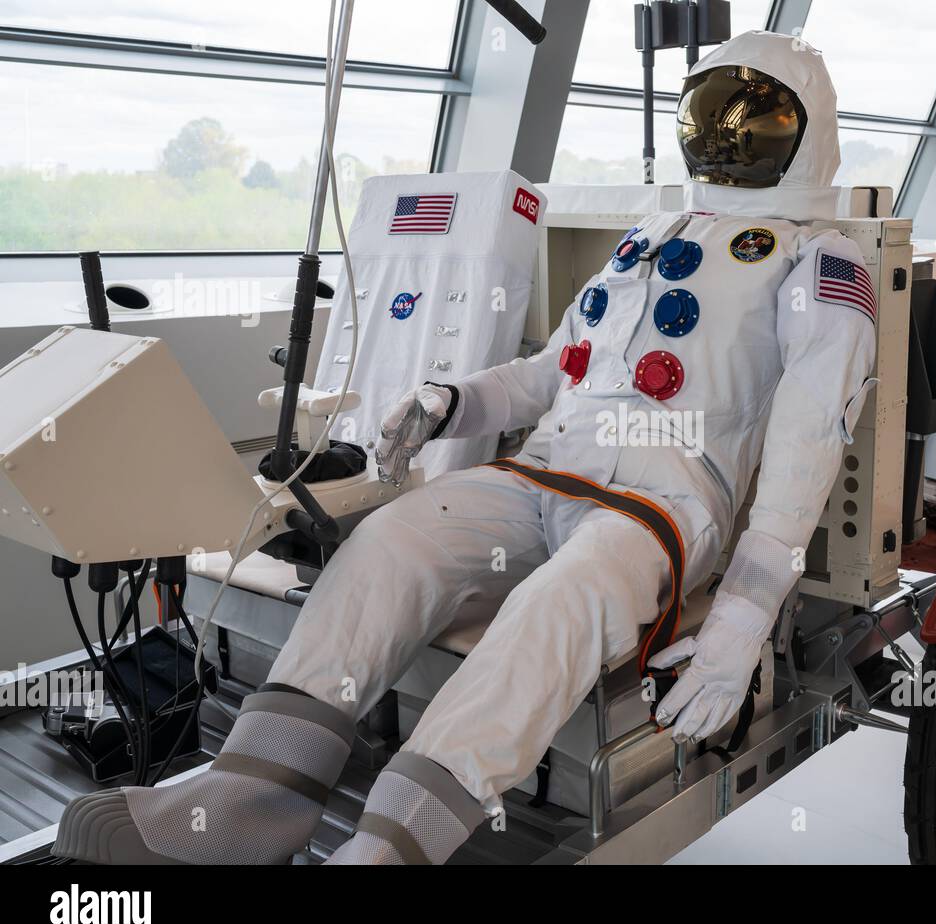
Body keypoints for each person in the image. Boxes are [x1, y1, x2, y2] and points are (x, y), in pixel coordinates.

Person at [53, 30, 877, 866]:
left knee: (564, 599)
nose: (727, 133)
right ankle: (252, 795)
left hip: (661, 505)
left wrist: (744, 615)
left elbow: (810, 442)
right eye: (712, 110)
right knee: (391, 540)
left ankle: (392, 844)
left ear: (808, 137)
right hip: (542, 474)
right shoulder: (656, 236)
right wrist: (453, 401)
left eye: (759, 116)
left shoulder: (821, 262)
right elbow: (557, 370)